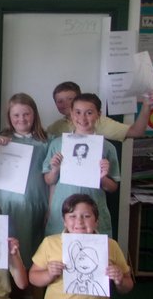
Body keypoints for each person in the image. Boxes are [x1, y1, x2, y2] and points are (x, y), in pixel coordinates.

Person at [43, 93, 120, 237]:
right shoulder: (57, 144)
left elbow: (113, 187)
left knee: (93, 254)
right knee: (58, 255)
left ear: (98, 114)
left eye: (89, 113)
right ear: (71, 113)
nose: (83, 118)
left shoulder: (107, 147)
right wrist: (55, 169)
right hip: (62, 211)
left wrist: (102, 177)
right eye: (77, 112)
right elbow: (48, 180)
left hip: (93, 213)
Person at [0, 93, 50, 271]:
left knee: (28, 248)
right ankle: (5, 291)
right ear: (9, 117)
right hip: (3, 202)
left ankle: (28, 295)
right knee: (2, 247)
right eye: (16, 115)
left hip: (33, 202)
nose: (21, 119)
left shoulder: (46, 140)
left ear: (34, 115)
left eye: (26, 114)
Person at [46, 81, 153, 140]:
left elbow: (136, 132)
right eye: (60, 101)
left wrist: (146, 105)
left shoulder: (100, 122)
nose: (65, 104)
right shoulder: (55, 128)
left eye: (70, 99)